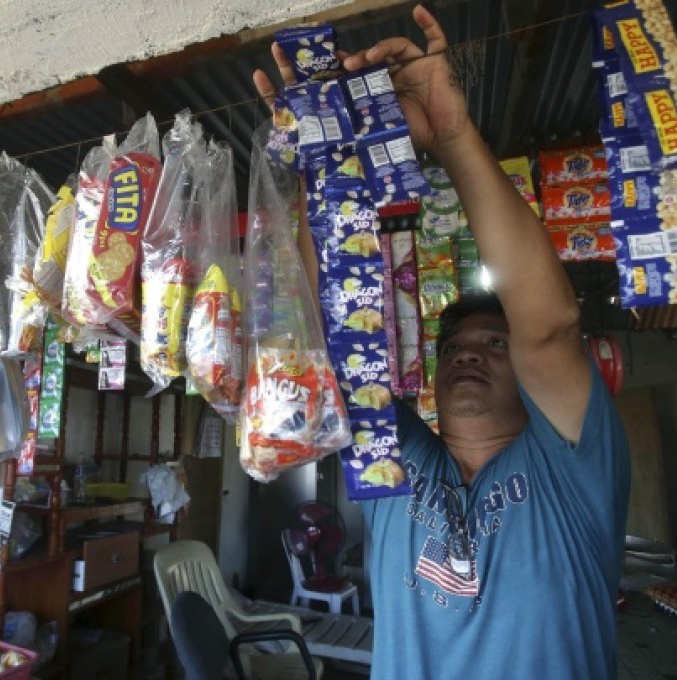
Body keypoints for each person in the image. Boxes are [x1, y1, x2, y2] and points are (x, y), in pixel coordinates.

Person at [254, 5, 631, 679]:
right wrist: (324, 162)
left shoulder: (574, 472)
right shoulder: (398, 467)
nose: (466, 353)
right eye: (455, 344)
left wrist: (454, 137)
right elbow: (331, 334)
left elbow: (547, 327)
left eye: (494, 343)